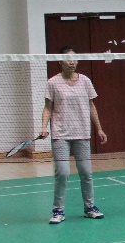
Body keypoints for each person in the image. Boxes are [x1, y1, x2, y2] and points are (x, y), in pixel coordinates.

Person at [38, 47, 108, 224]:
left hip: (82, 133)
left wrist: (99, 128)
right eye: (68, 59)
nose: (72, 62)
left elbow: (91, 105)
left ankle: (90, 208)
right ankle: (58, 210)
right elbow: (48, 108)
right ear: (60, 61)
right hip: (60, 135)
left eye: (75, 59)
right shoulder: (53, 83)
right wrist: (43, 127)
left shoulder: (85, 81)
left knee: (86, 172)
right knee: (62, 173)